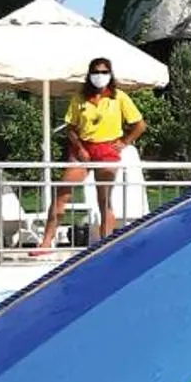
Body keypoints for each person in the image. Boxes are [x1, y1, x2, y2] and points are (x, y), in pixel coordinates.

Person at [37, 57, 145, 253]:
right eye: (96, 72)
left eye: (104, 72)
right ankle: (46, 242)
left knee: (104, 199)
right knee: (62, 193)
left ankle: (105, 244)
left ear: (110, 74)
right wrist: (79, 148)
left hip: (107, 150)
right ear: (89, 74)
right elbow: (70, 127)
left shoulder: (118, 97)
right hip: (83, 148)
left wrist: (124, 142)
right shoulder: (80, 98)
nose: (100, 76)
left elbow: (139, 124)